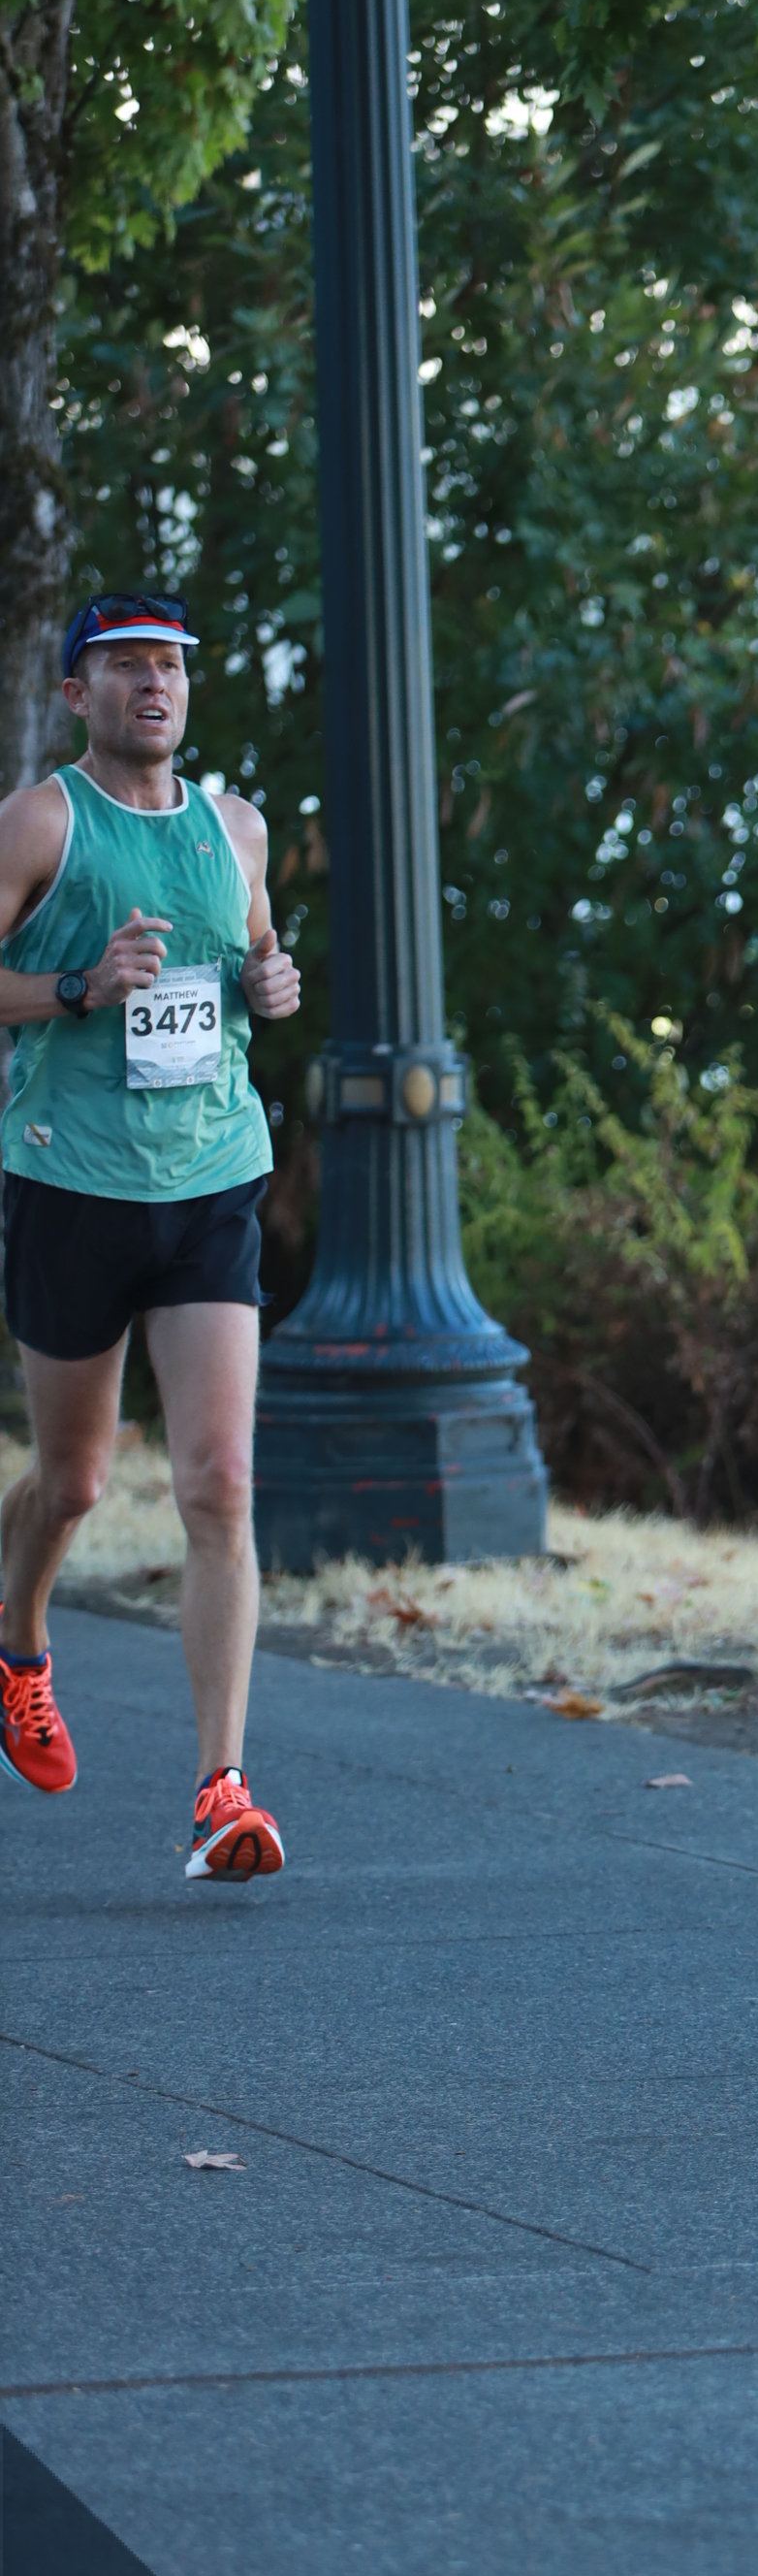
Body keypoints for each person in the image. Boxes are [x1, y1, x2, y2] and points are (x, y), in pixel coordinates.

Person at [0, 591, 300, 1876]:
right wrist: (78, 985)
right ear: (80, 693)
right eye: (124, 666)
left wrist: (272, 981)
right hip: (71, 1183)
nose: (152, 684)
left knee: (220, 1483)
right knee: (72, 1483)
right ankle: (18, 1645)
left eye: (168, 665)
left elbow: (258, 956)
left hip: (211, 1179)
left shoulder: (237, 828)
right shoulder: (41, 821)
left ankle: (222, 1790)